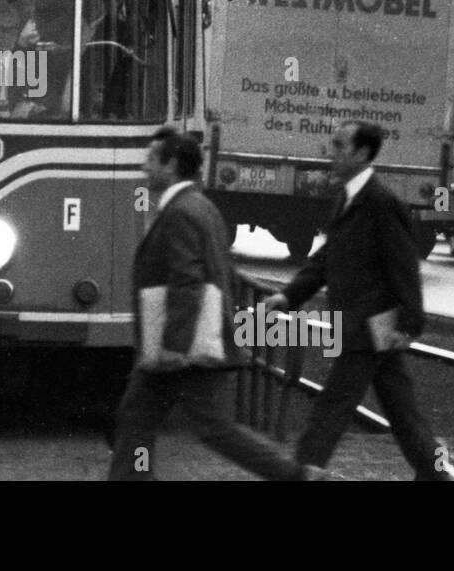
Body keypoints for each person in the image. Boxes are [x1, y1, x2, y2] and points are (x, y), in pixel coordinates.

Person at [107, 126, 315, 481]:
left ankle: (297, 476)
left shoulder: (180, 211)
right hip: (186, 341)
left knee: (214, 430)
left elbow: (187, 281)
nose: (145, 168)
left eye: (151, 160)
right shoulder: (201, 206)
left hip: (184, 346)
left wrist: (174, 344)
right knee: (137, 420)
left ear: (171, 165)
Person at [263, 120, 452, 481]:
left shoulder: (381, 202)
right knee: (402, 412)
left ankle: (300, 472)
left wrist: (411, 322)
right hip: (363, 325)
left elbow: (403, 265)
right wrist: (289, 295)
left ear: (363, 153)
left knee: (332, 407)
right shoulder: (348, 198)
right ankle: (435, 475)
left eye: (339, 146)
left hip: (368, 325)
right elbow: (326, 257)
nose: (331, 152)